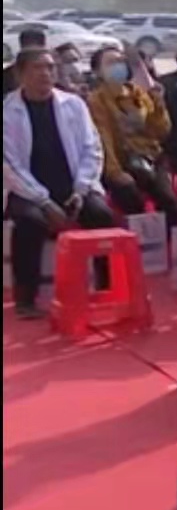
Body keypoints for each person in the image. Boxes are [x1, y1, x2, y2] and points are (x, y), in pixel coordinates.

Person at [3, 48, 119, 317]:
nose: (45, 73)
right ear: (20, 74)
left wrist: (81, 189)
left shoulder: (74, 104)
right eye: (37, 68)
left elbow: (92, 149)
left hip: (73, 185)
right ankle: (26, 299)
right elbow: (10, 166)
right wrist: (44, 201)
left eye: (50, 67)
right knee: (30, 222)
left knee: (101, 215)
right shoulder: (8, 112)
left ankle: (107, 287)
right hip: (26, 190)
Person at [86, 46, 177, 223]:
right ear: (98, 72)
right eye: (111, 63)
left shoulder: (139, 94)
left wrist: (158, 104)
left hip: (151, 157)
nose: (118, 66)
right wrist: (115, 172)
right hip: (121, 161)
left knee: (170, 202)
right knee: (130, 197)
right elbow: (103, 137)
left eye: (121, 61)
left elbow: (161, 131)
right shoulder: (96, 100)